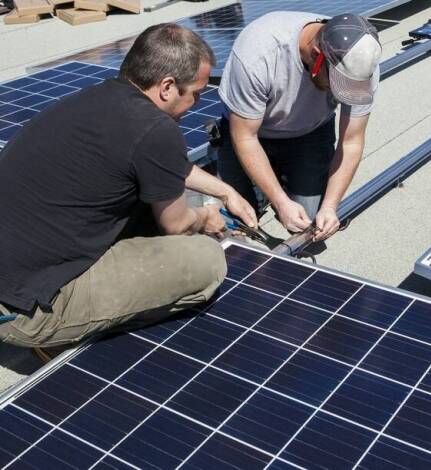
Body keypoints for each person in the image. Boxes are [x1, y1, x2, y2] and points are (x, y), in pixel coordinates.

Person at [0, 23, 257, 352]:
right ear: (167, 87)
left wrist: (226, 192)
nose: (197, 101)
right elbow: (177, 225)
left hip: (15, 272)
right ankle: (81, 335)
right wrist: (207, 217)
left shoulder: (101, 98)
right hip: (24, 312)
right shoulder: (156, 129)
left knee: (143, 204)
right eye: (195, 92)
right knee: (206, 260)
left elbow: (162, 164)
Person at [217, 11, 383, 242]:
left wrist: (330, 207)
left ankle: (278, 184)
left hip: (310, 132)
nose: (338, 92)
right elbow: (245, 137)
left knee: (310, 225)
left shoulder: (361, 64)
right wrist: (281, 202)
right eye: (335, 84)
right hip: (251, 133)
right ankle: (266, 190)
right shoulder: (259, 54)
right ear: (317, 56)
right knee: (236, 221)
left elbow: (352, 141)